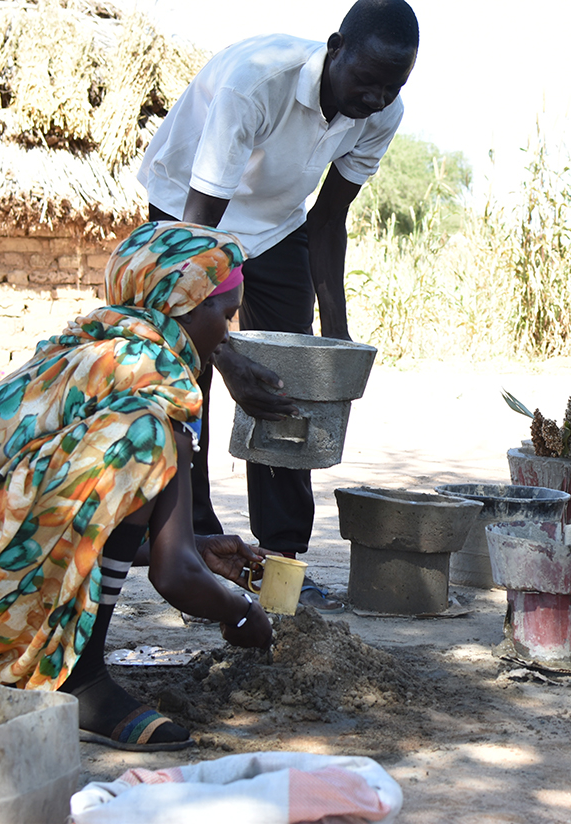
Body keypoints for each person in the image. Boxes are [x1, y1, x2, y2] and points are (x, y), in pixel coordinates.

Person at [0, 222, 273, 752]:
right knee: (144, 439)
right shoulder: (158, 384)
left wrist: (194, 546)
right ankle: (81, 680)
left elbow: (64, 518)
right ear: (187, 306)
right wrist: (242, 613)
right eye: (226, 315)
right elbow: (175, 577)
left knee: (132, 445)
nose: (228, 335)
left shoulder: (97, 347)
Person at [137, 0, 419, 613]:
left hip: (276, 228)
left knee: (295, 380)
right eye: (366, 81)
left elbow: (327, 221)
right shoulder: (256, 85)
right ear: (335, 46)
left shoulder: (381, 109)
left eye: (392, 87)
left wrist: (336, 342)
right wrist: (227, 359)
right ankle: (200, 548)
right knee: (190, 382)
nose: (375, 99)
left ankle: (283, 561)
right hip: (188, 210)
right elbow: (196, 243)